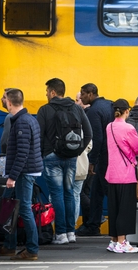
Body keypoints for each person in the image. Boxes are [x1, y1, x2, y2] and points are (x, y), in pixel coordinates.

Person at [37, 78, 92, 245]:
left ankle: (60, 234)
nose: (46, 94)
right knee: (69, 194)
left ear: (53, 92)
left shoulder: (45, 110)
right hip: (71, 158)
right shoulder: (76, 108)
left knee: (57, 195)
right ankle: (70, 232)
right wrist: (77, 152)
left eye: (47, 91)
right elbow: (88, 134)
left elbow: (39, 136)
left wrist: (44, 154)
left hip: (52, 158)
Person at [0, 89, 43, 260]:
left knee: (24, 209)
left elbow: (22, 153)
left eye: (4, 98)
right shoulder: (26, 119)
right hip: (22, 171)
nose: (2, 100)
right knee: (8, 206)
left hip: (23, 172)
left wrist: (12, 177)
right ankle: (9, 245)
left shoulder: (21, 122)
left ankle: (32, 250)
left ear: (10, 102)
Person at [105, 99, 138, 253]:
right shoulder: (128, 128)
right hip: (126, 173)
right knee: (125, 209)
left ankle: (113, 240)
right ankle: (122, 242)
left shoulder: (109, 127)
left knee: (114, 208)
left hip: (112, 173)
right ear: (127, 111)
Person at [76, 83, 114, 236]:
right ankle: (93, 225)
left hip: (103, 158)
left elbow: (96, 139)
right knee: (97, 192)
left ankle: (113, 227)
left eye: (83, 94)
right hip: (113, 155)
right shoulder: (109, 105)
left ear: (91, 94)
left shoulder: (93, 111)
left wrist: (92, 161)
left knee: (106, 191)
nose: (82, 97)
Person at [73, 93, 92, 228]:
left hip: (71, 165)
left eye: (77, 99)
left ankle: (64, 228)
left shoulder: (82, 118)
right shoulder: (84, 121)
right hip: (82, 165)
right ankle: (71, 228)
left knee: (70, 195)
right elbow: (90, 144)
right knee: (76, 195)